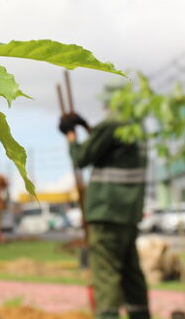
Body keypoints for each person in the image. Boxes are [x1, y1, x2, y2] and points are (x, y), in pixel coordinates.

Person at [59, 113, 150, 319]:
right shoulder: (135, 128)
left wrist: (71, 136)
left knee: (106, 274)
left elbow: (81, 158)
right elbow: (106, 149)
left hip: (106, 213)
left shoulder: (110, 125)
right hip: (129, 214)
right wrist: (87, 126)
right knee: (131, 274)